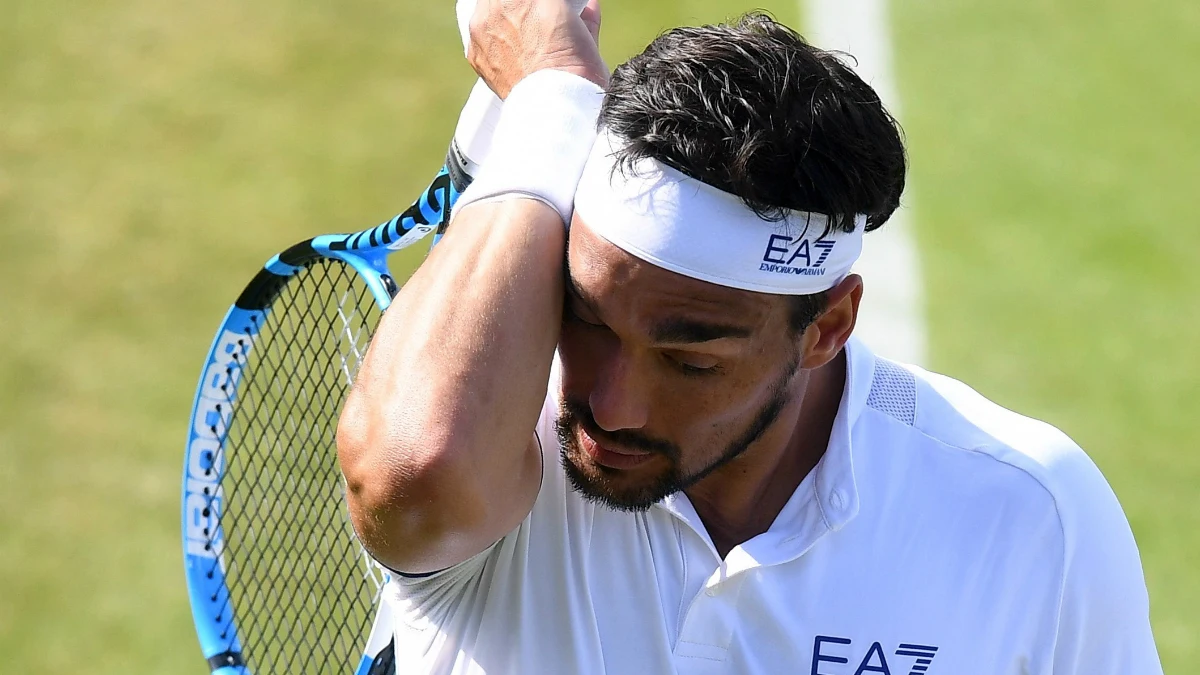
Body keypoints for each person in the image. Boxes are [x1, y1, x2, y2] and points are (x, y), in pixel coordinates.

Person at [336, 0, 1164, 672]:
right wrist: (552, 101)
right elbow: (414, 471)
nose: (611, 405)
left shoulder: (1032, 518)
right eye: (584, 318)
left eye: (689, 359)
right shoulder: (498, 452)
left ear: (827, 327)